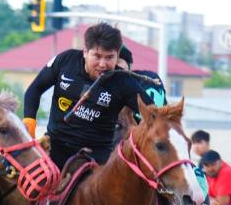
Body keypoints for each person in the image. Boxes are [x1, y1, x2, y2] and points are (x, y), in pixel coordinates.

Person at [22, 22, 158, 168]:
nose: (102, 64)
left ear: (117, 55)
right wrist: (29, 125)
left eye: (109, 57)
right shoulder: (65, 60)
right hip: (55, 146)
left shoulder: (124, 82)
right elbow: (35, 89)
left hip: (96, 157)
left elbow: (154, 115)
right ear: (85, 51)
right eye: (97, 56)